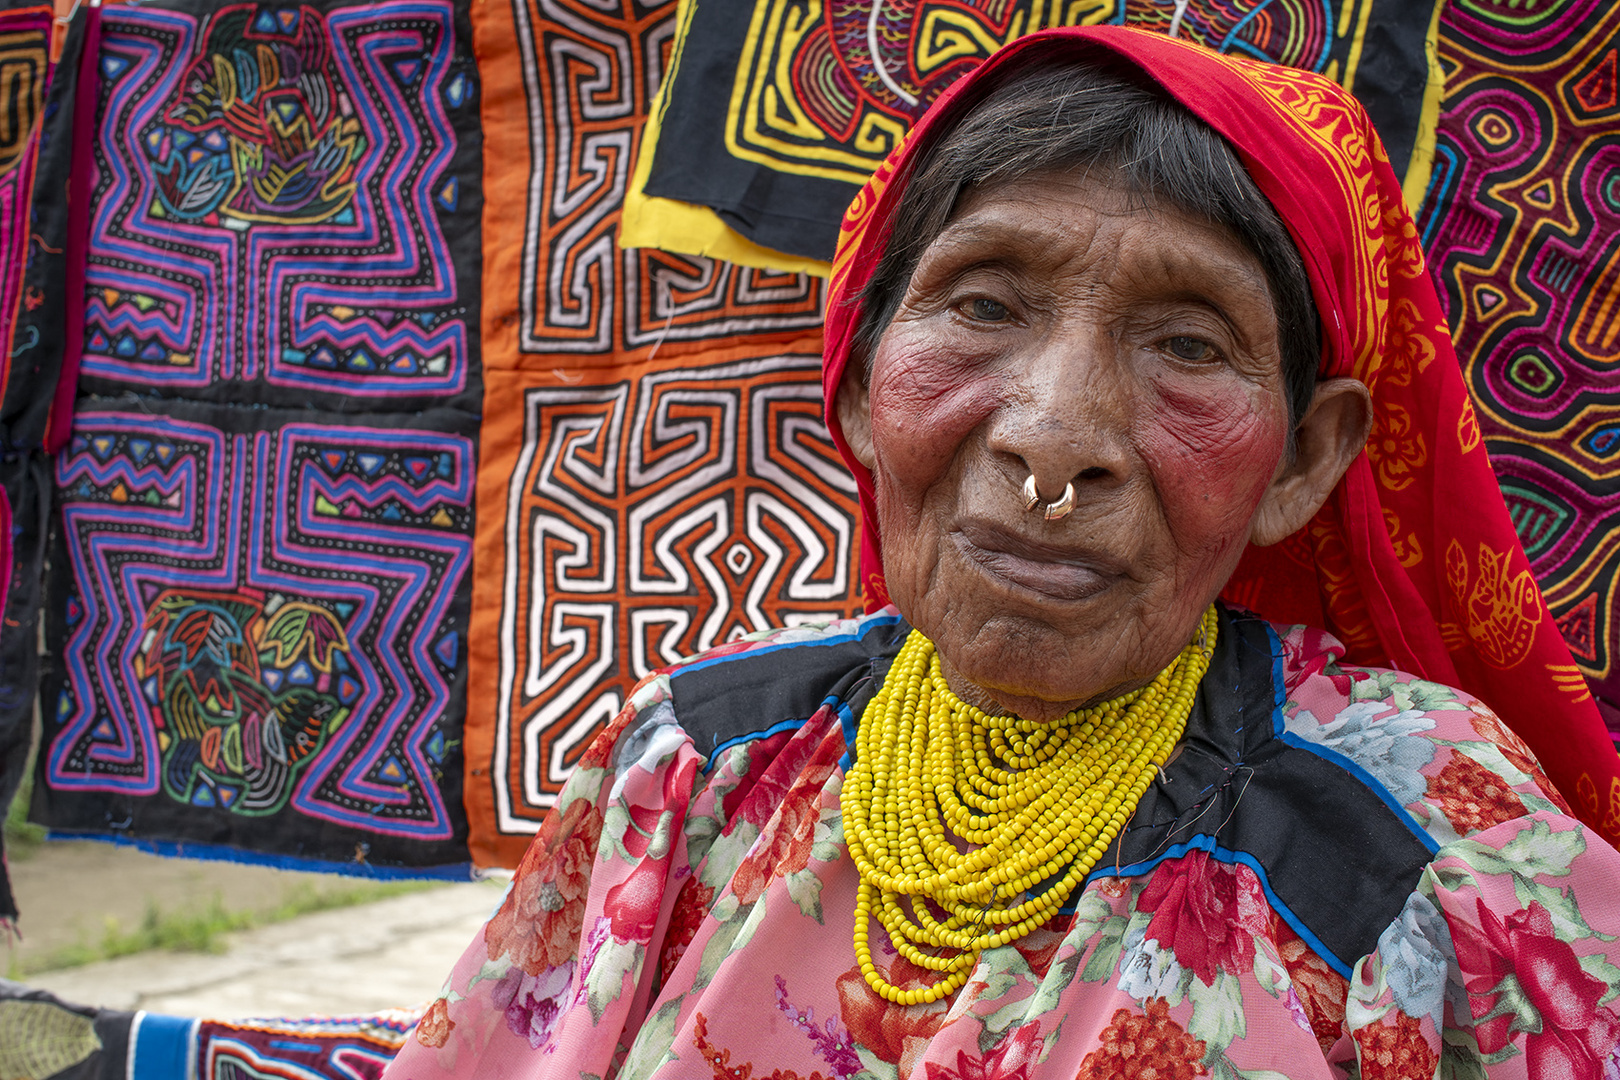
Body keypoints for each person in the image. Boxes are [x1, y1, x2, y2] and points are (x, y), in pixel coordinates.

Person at [381, 26, 1620, 1080]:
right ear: (862, 375)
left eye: (1188, 346)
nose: (1055, 440)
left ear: (1302, 459)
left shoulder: (1426, 861)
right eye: (982, 305)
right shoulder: (692, 769)